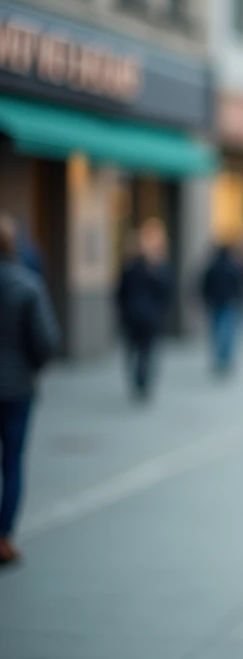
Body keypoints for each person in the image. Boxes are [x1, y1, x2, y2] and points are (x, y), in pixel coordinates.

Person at [0, 212, 60, 565]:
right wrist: (32, 367)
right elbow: (46, 341)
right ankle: (4, 536)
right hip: (17, 390)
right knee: (12, 462)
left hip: (18, 386)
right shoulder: (27, 285)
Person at [117, 219, 173, 403]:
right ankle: (142, 378)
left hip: (132, 316)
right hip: (149, 317)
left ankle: (138, 377)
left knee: (135, 349)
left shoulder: (130, 268)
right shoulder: (154, 269)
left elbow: (120, 293)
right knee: (146, 350)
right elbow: (165, 292)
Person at [200, 244, 243, 376]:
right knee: (227, 332)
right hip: (228, 303)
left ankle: (220, 359)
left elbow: (205, 284)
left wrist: (206, 299)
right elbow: (238, 285)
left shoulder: (212, 267)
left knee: (217, 332)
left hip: (215, 303)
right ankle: (225, 359)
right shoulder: (232, 267)